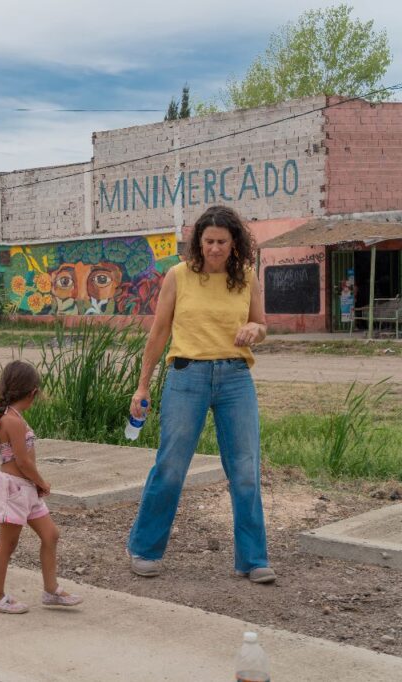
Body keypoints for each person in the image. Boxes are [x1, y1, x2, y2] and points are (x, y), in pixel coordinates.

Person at [127, 205, 274, 584]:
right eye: (208, 241)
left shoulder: (246, 277)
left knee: (245, 470)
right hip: (186, 375)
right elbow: (158, 332)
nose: (214, 248)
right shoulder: (178, 276)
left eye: (222, 242)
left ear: (234, 242)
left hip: (236, 378)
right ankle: (144, 549)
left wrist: (254, 331)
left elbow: (261, 324)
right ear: (198, 241)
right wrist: (142, 385)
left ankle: (253, 559)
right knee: (171, 466)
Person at [0, 360, 83, 614]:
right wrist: (42, 482)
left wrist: (34, 486)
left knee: (51, 535)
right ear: (32, 392)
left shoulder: (14, 417)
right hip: (14, 488)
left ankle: (51, 590)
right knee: (8, 544)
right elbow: (23, 461)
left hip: (27, 489)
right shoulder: (12, 421)